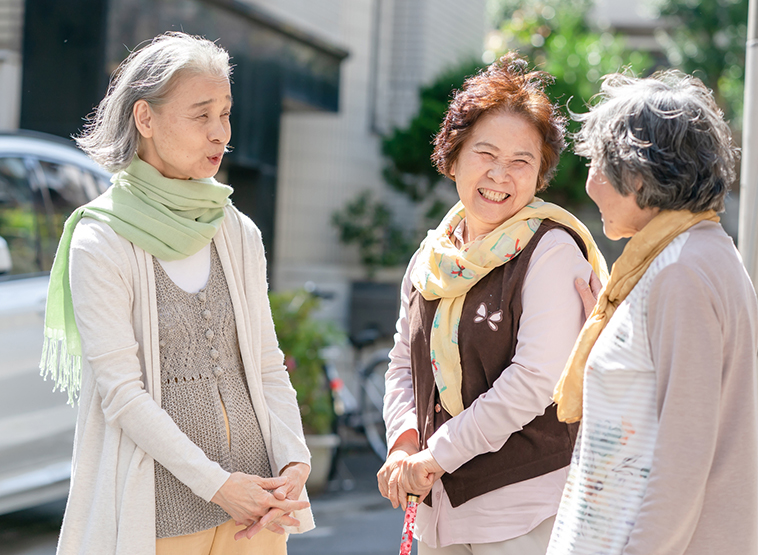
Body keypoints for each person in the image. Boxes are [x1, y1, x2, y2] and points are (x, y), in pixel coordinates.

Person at [40, 32, 313, 555]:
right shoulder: (102, 237)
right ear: (145, 119)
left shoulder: (236, 230)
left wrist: (293, 460)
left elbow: (265, 364)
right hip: (159, 512)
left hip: (256, 506)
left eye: (226, 114)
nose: (220, 134)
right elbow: (122, 394)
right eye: (201, 115)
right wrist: (218, 486)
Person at [377, 53, 608, 554]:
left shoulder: (551, 250)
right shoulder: (433, 255)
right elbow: (402, 361)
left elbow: (532, 382)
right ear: (454, 157)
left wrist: (435, 455)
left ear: (541, 175)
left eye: (521, 161)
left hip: (525, 510)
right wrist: (404, 441)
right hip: (440, 506)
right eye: (485, 154)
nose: (500, 175)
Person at [547, 71, 758, 554]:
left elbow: (683, 455)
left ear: (638, 174)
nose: (590, 183)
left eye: (599, 164)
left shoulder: (679, 273)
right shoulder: (703, 254)